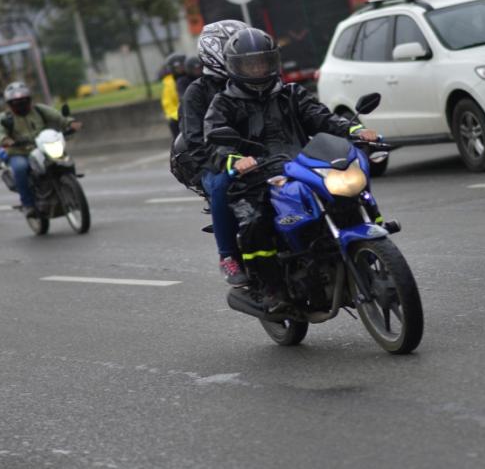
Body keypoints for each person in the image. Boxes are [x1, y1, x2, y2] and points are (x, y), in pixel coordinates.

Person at [204, 28, 379, 310]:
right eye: (250, 64)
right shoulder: (224, 103)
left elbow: (322, 118)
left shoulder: (291, 93)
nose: (258, 69)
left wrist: (355, 130)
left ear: (273, 62)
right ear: (235, 67)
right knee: (257, 222)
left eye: (262, 62)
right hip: (256, 176)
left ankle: (367, 244)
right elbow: (214, 141)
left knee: (350, 193)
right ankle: (273, 289)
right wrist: (235, 160)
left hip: (301, 166)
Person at [175, 20, 248, 285]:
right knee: (222, 185)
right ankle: (227, 256)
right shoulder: (197, 92)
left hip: (260, 156)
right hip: (214, 162)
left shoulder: (257, 81)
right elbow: (195, 141)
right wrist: (224, 160)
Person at [0, 82, 81, 216]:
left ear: (29, 99)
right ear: (10, 104)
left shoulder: (39, 110)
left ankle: (71, 183)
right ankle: (28, 204)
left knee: (62, 156)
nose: (21, 104)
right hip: (19, 152)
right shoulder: (5, 118)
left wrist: (70, 122)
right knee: (20, 168)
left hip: (42, 147)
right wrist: (5, 140)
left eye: (24, 101)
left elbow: (57, 116)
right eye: (16, 102)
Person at [161, 53, 186, 140]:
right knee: (172, 123)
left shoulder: (192, 77)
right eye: (177, 67)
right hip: (180, 115)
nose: (180, 69)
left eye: (182, 66)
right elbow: (168, 105)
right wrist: (179, 115)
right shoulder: (168, 84)